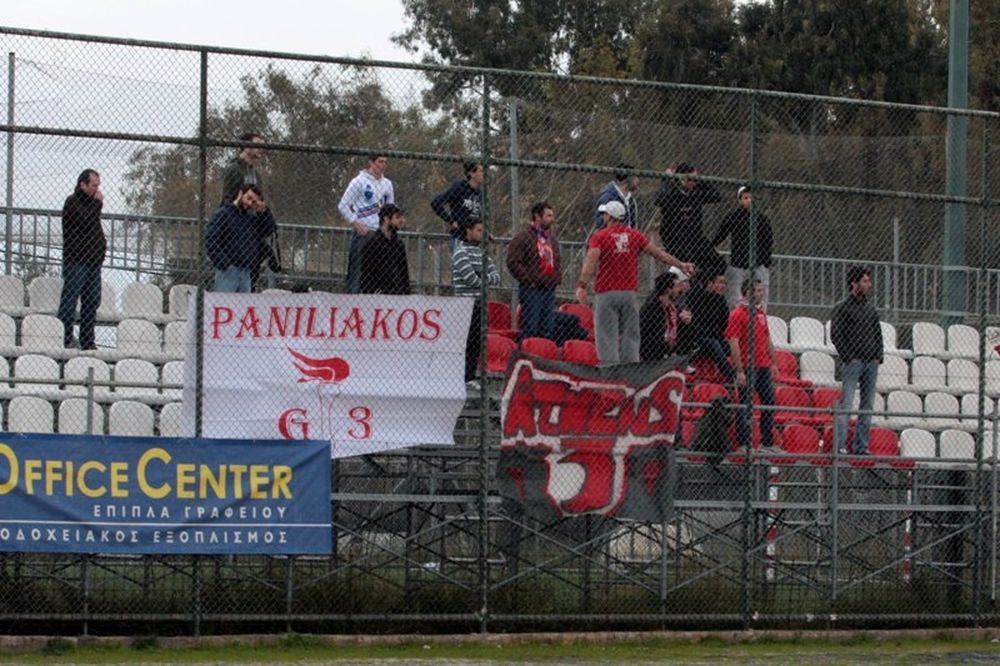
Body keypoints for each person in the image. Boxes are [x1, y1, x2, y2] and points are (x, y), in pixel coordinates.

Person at [576, 200, 696, 365]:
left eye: (605, 214)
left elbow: (591, 260)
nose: (603, 216)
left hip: (606, 291)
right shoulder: (635, 235)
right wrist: (681, 264)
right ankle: (630, 367)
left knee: (606, 333)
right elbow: (659, 253)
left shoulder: (600, 236)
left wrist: (582, 285)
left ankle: (609, 368)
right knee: (630, 332)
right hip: (629, 292)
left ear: (609, 217)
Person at [830, 266, 883, 455]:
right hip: (854, 362)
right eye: (865, 281)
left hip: (870, 362)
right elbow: (836, 335)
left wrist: (878, 357)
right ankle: (841, 446)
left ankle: (862, 446)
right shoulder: (842, 308)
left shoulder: (870, 309)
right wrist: (848, 357)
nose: (869, 284)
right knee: (847, 404)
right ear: (854, 283)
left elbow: (878, 334)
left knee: (867, 405)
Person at [220, 131, 281, 291]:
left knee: (250, 281)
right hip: (236, 229)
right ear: (246, 147)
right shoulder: (234, 170)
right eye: (257, 145)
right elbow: (228, 199)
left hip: (252, 230)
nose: (261, 149)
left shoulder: (255, 174)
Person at [726, 278, 778, 449]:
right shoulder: (738, 314)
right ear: (748, 292)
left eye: (762, 290)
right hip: (748, 367)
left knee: (769, 402)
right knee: (745, 404)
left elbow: (767, 337)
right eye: (758, 290)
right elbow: (733, 342)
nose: (761, 294)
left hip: (763, 365)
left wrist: (774, 362)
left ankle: (767, 442)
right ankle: (743, 443)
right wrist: (740, 370)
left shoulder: (760, 313)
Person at [58, 169, 106, 350]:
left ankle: (87, 340)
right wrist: (98, 204)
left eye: (97, 185)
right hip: (76, 261)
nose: (97, 189)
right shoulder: (73, 202)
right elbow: (84, 221)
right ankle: (65, 338)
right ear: (83, 184)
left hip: (93, 263)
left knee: (92, 300)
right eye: (94, 185)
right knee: (70, 300)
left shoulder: (92, 204)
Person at [453, 218, 500, 390]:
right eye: (479, 230)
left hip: (480, 304)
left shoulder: (482, 253)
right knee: (464, 342)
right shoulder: (460, 252)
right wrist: (483, 277)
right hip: (465, 304)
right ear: (468, 231)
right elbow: (470, 279)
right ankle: (461, 377)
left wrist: (481, 278)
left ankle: (470, 376)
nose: (482, 234)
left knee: (475, 343)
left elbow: (496, 276)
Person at [338, 154, 394, 294]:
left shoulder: (387, 184)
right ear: (371, 162)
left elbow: (390, 207)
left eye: (385, 162)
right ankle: (352, 301)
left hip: (381, 234)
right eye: (380, 161)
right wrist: (355, 223)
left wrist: (389, 228)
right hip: (364, 233)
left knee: (381, 271)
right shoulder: (359, 182)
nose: (383, 165)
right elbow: (343, 205)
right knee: (357, 271)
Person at [206, 184, 276, 293]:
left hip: (246, 271)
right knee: (225, 304)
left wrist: (264, 213)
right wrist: (225, 264)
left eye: (253, 202)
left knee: (243, 307)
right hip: (228, 270)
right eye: (248, 198)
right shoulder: (223, 214)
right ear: (240, 194)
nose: (249, 203)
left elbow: (267, 231)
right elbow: (211, 240)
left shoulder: (250, 218)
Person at [506, 201, 561, 341]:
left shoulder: (551, 240)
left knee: (548, 327)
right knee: (531, 327)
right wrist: (528, 280)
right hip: (532, 289)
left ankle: (543, 357)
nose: (552, 219)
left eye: (552, 215)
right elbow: (513, 261)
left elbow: (557, 261)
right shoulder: (524, 237)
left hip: (549, 289)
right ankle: (526, 355)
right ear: (537, 216)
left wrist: (556, 279)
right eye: (548, 216)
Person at [712, 185, 774, 309]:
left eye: (751, 198)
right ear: (740, 200)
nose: (749, 200)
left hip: (758, 263)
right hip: (738, 263)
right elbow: (721, 235)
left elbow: (768, 240)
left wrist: (767, 262)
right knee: (735, 297)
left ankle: (759, 319)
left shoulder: (761, 218)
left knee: (761, 294)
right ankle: (737, 319)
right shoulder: (733, 217)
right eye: (745, 198)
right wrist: (710, 247)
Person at [654, 162, 722, 268]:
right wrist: (667, 179)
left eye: (695, 179)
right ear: (682, 179)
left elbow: (716, 196)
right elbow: (659, 200)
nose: (694, 183)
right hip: (675, 238)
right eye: (691, 179)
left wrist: (700, 180)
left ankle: (703, 281)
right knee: (687, 260)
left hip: (695, 237)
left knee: (718, 262)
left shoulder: (695, 193)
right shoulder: (672, 193)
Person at [685, 265, 736, 383]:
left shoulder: (720, 300)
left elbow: (724, 323)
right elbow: (694, 325)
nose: (723, 286)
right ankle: (732, 377)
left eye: (724, 283)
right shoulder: (694, 297)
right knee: (713, 344)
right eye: (720, 282)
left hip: (716, 337)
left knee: (731, 346)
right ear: (709, 283)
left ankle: (742, 372)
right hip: (697, 339)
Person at [639, 270, 694, 361]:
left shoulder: (671, 307)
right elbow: (654, 336)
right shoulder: (654, 307)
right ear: (668, 290)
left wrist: (685, 319)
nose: (678, 290)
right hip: (652, 352)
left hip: (666, 349)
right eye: (676, 287)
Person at [431, 161, 484, 252]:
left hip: (475, 241)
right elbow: (435, 203)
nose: (484, 174)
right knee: (462, 265)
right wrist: (450, 221)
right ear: (471, 173)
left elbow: (479, 217)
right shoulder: (459, 188)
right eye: (481, 171)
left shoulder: (480, 193)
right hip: (459, 237)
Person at [359, 204, 411, 295]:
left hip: (397, 293)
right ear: (386, 219)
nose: (402, 220)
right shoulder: (372, 243)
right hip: (378, 295)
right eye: (397, 217)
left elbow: (404, 271)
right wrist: (372, 291)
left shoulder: (398, 244)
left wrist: (406, 292)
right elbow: (367, 272)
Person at [594, 163, 640, 230]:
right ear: (628, 179)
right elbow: (601, 224)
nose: (638, 180)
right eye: (636, 177)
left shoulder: (630, 199)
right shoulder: (608, 196)